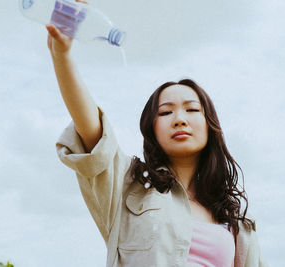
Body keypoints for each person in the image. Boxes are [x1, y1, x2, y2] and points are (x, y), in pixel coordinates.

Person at [46, 3, 268, 266]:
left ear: (209, 125)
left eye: (192, 109)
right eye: (165, 113)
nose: (180, 120)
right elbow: (93, 133)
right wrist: (62, 54)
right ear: (152, 128)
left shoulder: (237, 220)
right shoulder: (129, 186)